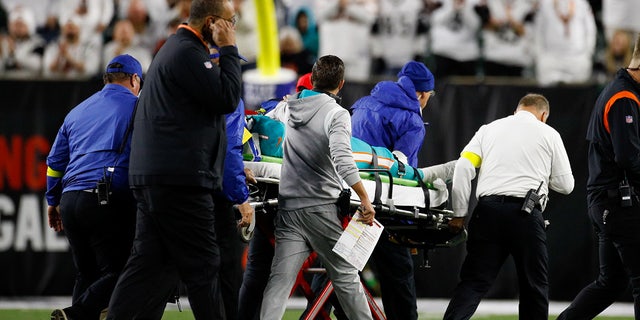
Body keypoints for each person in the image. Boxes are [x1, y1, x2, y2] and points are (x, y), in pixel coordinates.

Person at [105, 0, 242, 318]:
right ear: (212, 23)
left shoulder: (173, 50)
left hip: (158, 177)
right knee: (204, 266)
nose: (232, 28)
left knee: (147, 266)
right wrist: (230, 50)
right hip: (179, 180)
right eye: (229, 21)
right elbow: (226, 97)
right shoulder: (187, 52)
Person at [259, 55, 376, 320]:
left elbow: (265, 118)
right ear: (341, 84)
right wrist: (364, 198)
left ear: (312, 80)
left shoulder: (288, 107)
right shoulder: (337, 114)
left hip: (288, 208)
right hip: (321, 209)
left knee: (278, 285)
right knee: (346, 278)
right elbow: (344, 161)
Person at [443, 93, 575, 320]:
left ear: (517, 110)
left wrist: (459, 214)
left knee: (473, 282)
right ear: (543, 115)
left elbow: (464, 167)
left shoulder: (489, 129)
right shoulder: (549, 133)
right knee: (534, 286)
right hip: (525, 214)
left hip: (487, 212)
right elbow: (566, 185)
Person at [46, 54, 143, 320]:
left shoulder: (77, 111)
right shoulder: (139, 106)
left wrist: (52, 200)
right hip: (108, 198)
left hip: (69, 200)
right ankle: (74, 315)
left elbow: (55, 162)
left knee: (86, 273)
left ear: (106, 79)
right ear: (135, 80)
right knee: (126, 269)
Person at [348, 60, 446, 320]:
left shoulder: (364, 102)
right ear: (423, 94)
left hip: (349, 199)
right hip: (383, 209)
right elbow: (398, 171)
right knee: (398, 275)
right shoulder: (411, 121)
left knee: (341, 270)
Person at [556, 34, 640, 320]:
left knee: (611, 283)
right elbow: (629, 158)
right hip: (619, 203)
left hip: (609, 202)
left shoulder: (623, 91)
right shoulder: (623, 97)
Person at [236, 72, 313, 320]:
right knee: (339, 272)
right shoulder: (320, 115)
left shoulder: (270, 112)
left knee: (259, 275)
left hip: (267, 202)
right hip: (303, 210)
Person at [208, 45, 255, 320]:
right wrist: (241, 198)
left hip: (179, 189)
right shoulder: (229, 99)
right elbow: (229, 151)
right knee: (228, 270)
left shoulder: (184, 93)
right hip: (217, 195)